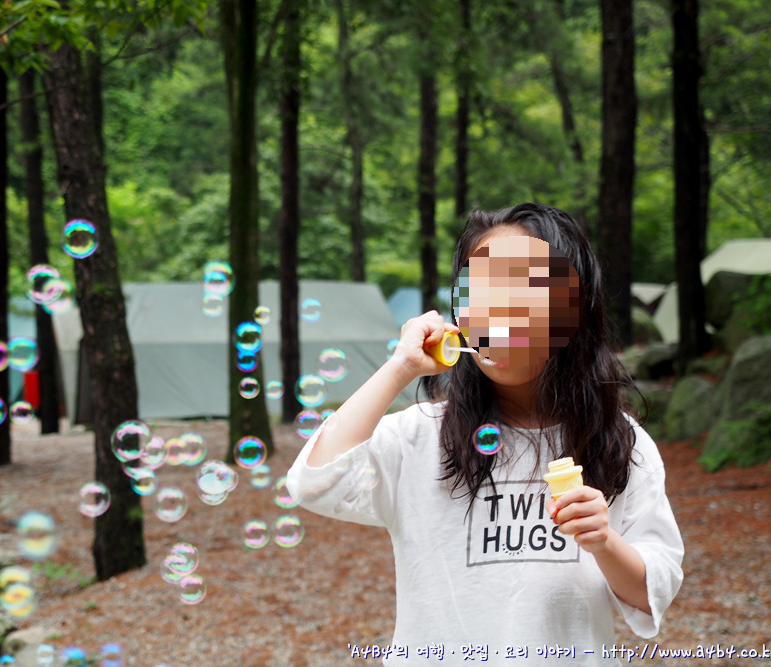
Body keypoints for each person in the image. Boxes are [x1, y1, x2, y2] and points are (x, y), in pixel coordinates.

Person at [286, 203, 683, 665]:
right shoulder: (421, 436)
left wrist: (604, 542)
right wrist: (400, 367)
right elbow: (314, 482)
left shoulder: (618, 442)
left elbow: (652, 591)